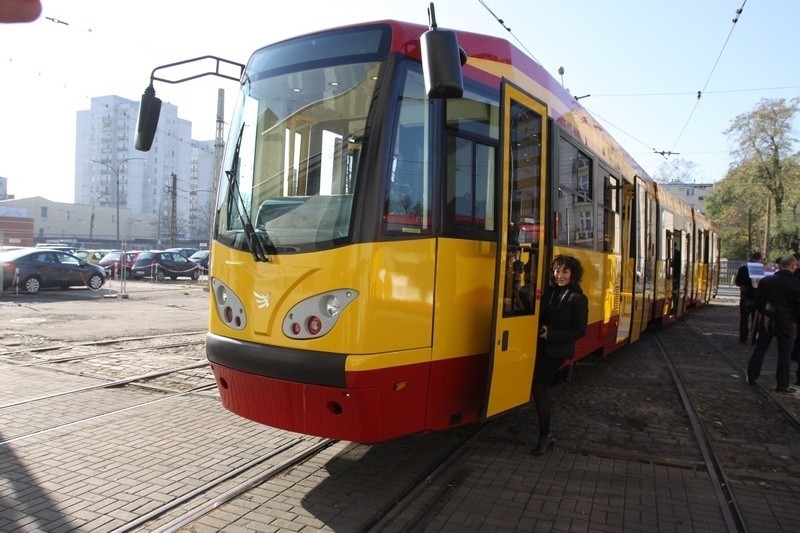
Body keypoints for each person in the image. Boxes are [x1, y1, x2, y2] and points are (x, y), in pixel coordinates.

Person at [531, 255, 589, 455]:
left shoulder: (578, 299)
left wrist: (551, 334)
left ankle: (545, 436)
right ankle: (545, 436)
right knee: (537, 389)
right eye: (556, 271)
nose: (559, 275)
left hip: (556, 351)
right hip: (540, 346)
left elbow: (580, 330)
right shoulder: (550, 292)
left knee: (539, 390)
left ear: (573, 274)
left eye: (564, 271)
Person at [746, 255, 800, 393]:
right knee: (784, 354)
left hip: (768, 320)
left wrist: (765, 312)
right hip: (788, 323)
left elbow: (757, 303)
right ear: (793, 266)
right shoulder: (796, 284)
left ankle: (752, 376)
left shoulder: (766, 281)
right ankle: (782, 384)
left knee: (760, 348)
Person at [735, 252, 762, 343]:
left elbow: (738, 282)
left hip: (745, 297)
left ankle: (743, 338)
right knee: (756, 319)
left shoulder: (743, 268)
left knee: (744, 319)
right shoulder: (761, 269)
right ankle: (753, 338)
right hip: (757, 298)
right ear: (759, 259)